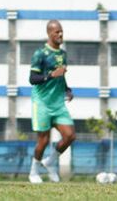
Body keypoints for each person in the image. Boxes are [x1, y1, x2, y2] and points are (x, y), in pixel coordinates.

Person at [28, 20, 76, 184]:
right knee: (44, 140)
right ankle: (33, 172)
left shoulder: (63, 54)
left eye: (61, 31)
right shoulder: (40, 54)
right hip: (41, 102)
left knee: (70, 136)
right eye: (57, 32)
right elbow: (32, 79)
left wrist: (67, 89)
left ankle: (49, 162)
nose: (60, 34)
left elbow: (60, 75)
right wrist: (50, 76)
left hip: (58, 103)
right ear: (49, 33)